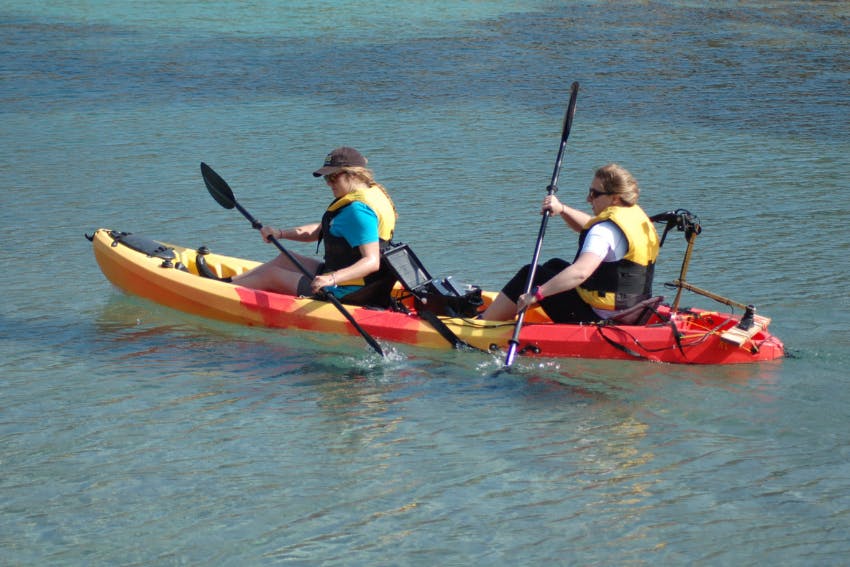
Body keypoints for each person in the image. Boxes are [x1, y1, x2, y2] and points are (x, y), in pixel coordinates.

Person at [479, 163, 659, 323]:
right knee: (554, 265)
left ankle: (482, 323)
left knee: (531, 274)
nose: (588, 199)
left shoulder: (603, 230)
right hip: (633, 312)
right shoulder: (632, 219)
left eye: (594, 194)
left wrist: (536, 294)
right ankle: (511, 308)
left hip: (600, 318)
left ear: (615, 198)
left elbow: (580, 273)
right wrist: (562, 209)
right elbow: (589, 226)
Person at [230, 147, 399, 305]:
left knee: (271, 275)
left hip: (352, 290)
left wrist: (331, 278)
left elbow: (372, 261)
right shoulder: (368, 194)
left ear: (353, 175)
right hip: (353, 280)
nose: (328, 183)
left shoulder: (359, 210)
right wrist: (280, 233)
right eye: (327, 178)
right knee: (285, 257)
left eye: (333, 177)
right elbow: (324, 229)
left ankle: (222, 293)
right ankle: (226, 283)